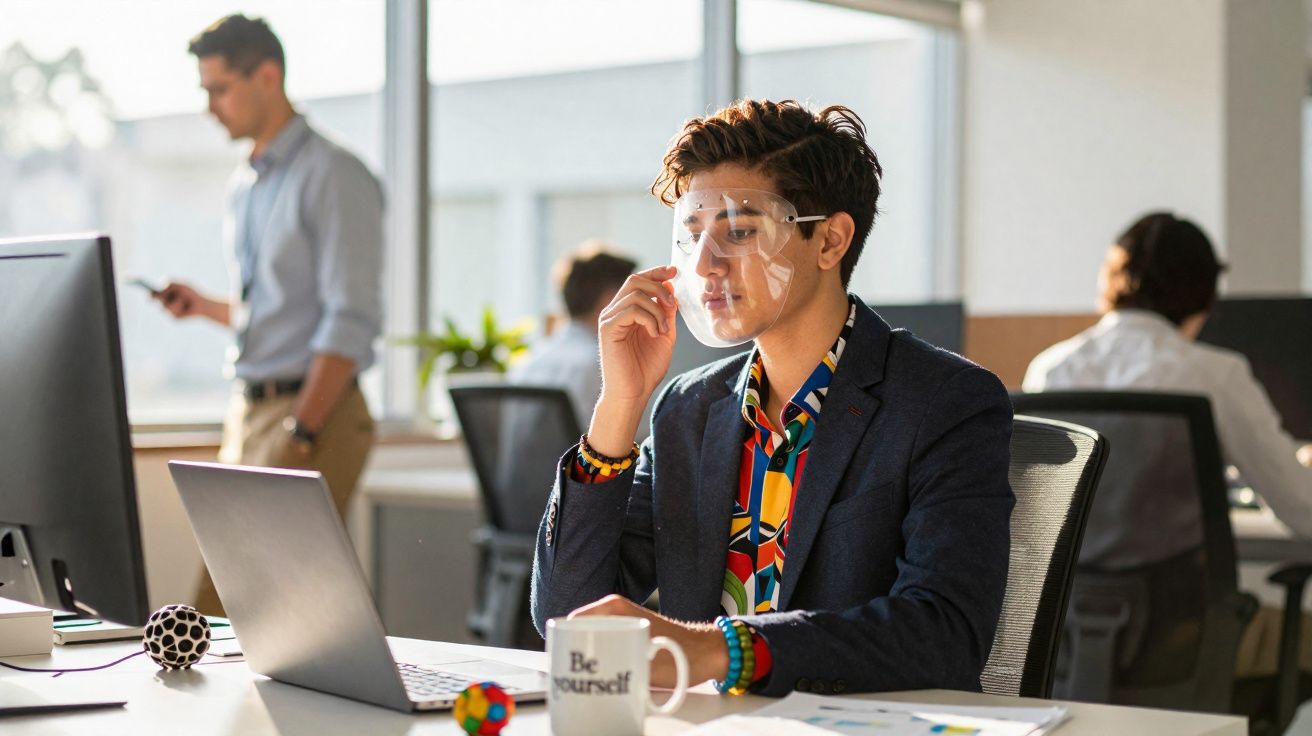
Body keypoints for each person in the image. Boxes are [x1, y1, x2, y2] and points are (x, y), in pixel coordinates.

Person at [530, 99, 1015, 697]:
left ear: (830, 241)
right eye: (692, 236)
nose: (704, 265)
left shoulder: (946, 401)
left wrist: (715, 650)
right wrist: (620, 405)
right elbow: (567, 615)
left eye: (738, 232)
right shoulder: (688, 409)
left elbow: (945, 634)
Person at [1023, 212, 1312, 697]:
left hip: (1063, 640)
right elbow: (1302, 511)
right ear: (1203, 296)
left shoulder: (1051, 371)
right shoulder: (1215, 374)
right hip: (1181, 642)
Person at [156, 15, 384, 615]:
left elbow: (350, 317)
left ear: (267, 76)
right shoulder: (247, 184)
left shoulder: (333, 173)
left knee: (240, 601)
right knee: (259, 603)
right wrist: (203, 306)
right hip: (252, 411)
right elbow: (276, 311)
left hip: (313, 411)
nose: (211, 108)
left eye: (219, 89)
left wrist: (302, 432)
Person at [508, 243, 637, 426]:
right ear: (611, 298)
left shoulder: (527, 363)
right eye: (633, 294)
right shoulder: (602, 364)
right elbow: (643, 435)